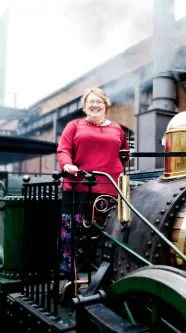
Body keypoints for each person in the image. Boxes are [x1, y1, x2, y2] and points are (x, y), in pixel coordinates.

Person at [56, 86, 129, 280]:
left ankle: (103, 275)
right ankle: (69, 276)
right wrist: (68, 165)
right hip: (77, 186)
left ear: (106, 106)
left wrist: (114, 170)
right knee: (72, 234)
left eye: (99, 102)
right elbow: (64, 149)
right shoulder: (74, 126)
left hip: (108, 188)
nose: (95, 105)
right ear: (85, 106)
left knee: (105, 233)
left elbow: (124, 154)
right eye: (91, 102)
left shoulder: (117, 129)